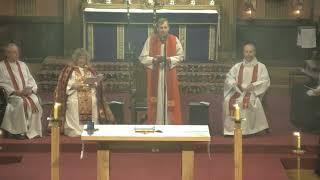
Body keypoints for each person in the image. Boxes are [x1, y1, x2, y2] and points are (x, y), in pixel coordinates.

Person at [54, 48, 115, 137]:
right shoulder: (69, 70)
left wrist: (95, 83)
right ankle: (75, 130)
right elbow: (63, 84)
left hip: (89, 91)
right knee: (74, 103)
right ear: (76, 59)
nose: (81, 60)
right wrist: (73, 86)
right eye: (80, 58)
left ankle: (90, 128)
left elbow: (96, 84)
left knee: (93, 100)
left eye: (83, 58)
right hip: (74, 92)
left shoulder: (90, 70)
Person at [139, 18, 183, 125]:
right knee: (157, 99)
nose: (163, 30)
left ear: (168, 28)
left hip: (169, 74)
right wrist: (154, 60)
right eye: (161, 27)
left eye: (165, 27)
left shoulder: (174, 39)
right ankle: (157, 124)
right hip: (156, 75)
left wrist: (169, 60)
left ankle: (169, 124)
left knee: (169, 99)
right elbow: (142, 57)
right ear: (157, 29)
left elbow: (181, 56)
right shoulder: (150, 40)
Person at [223, 42, 270, 135]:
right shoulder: (238, 66)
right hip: (238, 91)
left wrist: (254, 85)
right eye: (246, 52)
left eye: (250, 52)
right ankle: (231, 130)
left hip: (253, 92)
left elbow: (265, 80)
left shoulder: (261, 66)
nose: (248, 54)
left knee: (245, 102)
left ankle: (246, 130)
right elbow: (229, 76)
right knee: (227, 100)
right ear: (243, 52)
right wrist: (233, 83)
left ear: (254, 52)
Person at [0, 43, 42, 139]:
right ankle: (18, 132)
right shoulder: (1, 66)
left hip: (26, 94)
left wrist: (31, 90)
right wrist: (15, 92)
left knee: (35, 100)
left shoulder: (23, 65)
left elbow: (31, 79)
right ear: (7, 53)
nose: (14, 55)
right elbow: (2, 84)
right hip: (12, 96)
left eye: (16, 52)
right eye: (11, 52)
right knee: (20, 102)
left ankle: (33, 131)